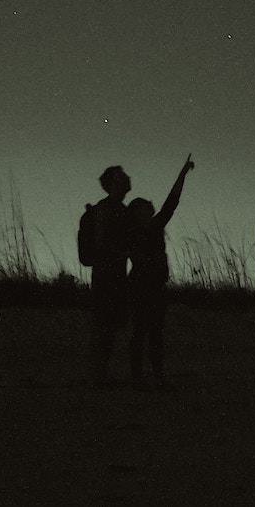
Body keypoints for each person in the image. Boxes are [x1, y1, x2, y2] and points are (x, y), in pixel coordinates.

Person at [126, 154, 195, 389]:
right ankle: (137, 376)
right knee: (140, 332)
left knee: (155, 334)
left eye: (146, 208)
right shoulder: (133, 234)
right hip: (139, 288)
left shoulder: (156, 226)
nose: (145, 211)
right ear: (135, 214)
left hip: (156, 288)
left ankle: (157, 375)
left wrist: (182, 174)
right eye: (140, 209)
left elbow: (172, 201)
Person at [85, 165, 132, 383]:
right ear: (113, 183)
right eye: (122, 177)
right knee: (104, 325)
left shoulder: (120, 209)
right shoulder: (106, 209)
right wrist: (125, 252)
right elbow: (101, 242)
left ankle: (99, 374)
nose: (127, 179)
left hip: (115, 274)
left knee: (109, 325)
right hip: (106, 276)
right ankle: (97, 374)